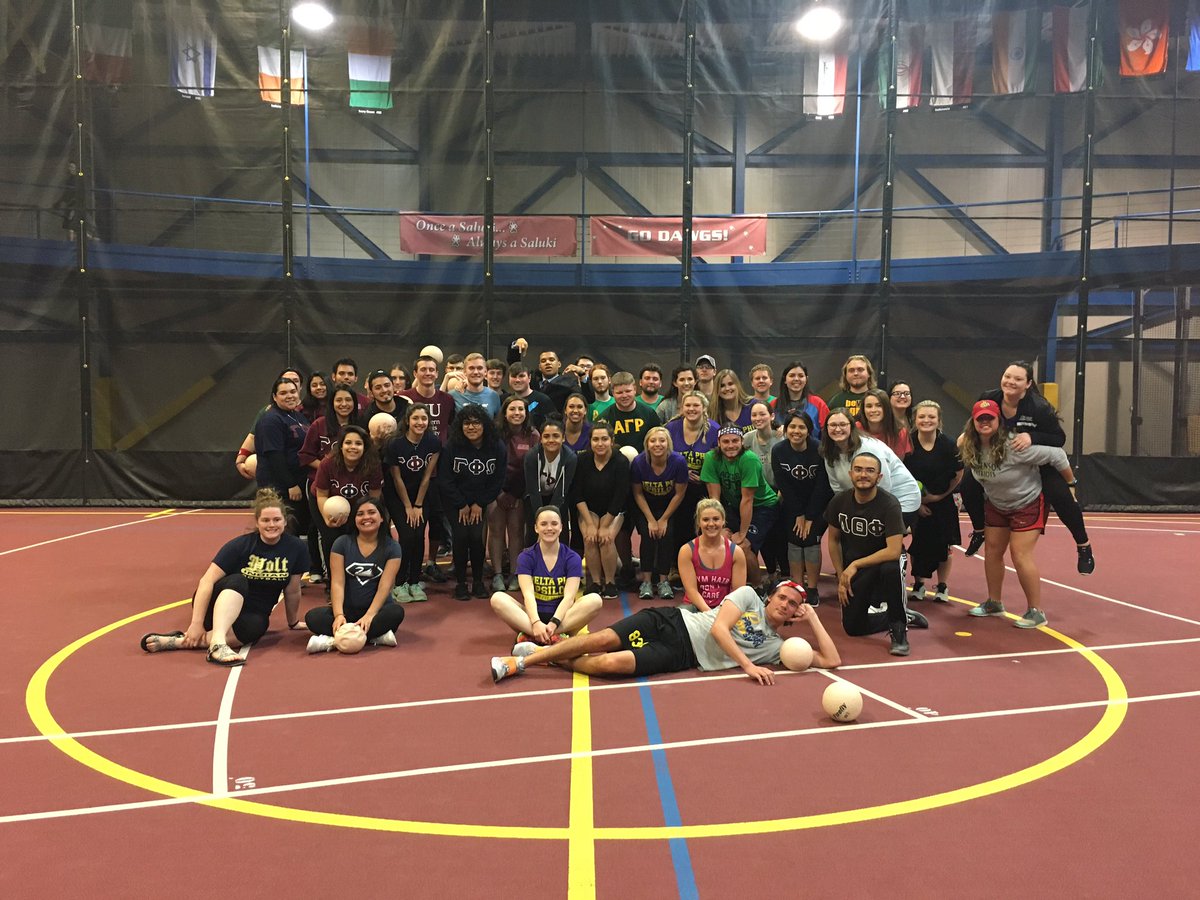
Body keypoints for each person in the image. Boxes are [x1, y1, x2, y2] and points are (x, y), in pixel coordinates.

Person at [490, 580, 840, 685]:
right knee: (600, 640)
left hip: (683, 655)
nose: (785, 604)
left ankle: (550, 655)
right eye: (782, 596)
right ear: (771, 596)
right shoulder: (748, 596)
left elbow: (831, 660)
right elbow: (719, 628)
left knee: (609, 666)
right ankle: (519, 663)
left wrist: (813, 620)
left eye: (793, 604)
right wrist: (747, 667)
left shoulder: (777, 647)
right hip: (673, 622)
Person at [139, 488, 309, 667]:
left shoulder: (296, 548)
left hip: (250, 614)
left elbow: (292, 590)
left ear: (284, 521)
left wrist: (293, 622)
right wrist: (196, 623)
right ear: (257, 523)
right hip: (218, 604)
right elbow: (206, 581)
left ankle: (179, 641)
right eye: (265, 520)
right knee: (238, 580)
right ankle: (218, 645)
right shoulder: (240, 545)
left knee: (258, 626)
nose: (271, 525)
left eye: (276, 520)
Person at [959, 361, 1095, 575]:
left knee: (1062, 497)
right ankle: (978, 531)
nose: (1010, 382)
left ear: (1028, 384)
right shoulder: (989, 397)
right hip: (998, 455)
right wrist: (968, 436)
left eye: (1018, 379)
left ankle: (1083, 545)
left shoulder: (1038, 407)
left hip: (1034, 457)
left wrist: (1032, 437)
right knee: (967, 485)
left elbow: (1059, 439)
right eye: (1007, 376)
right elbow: (978, 420)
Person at [959, 398, 1075, 629]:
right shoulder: (968, 444)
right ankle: (994, 602)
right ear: (973, 422)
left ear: (998, 421)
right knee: (992, 551)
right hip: (997, 503)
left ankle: (1036, 611)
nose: (984, 422)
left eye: (989, 418)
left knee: (1020, 554)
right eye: (980, 419)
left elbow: (1057, 455)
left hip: (1027, 502)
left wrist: (1071, 484)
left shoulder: (1014, 446)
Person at [825, 452, 927, 657]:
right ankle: (899, 615)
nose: (864, 475)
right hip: (858, 568)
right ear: (850, 473)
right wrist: (840, 575)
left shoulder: (888, 504)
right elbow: (833, 540)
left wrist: (854, 565)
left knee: (892, 567)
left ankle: (899, 630)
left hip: (884, 562)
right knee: (853, 628)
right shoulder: (839, 501)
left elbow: (893, 550)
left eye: (870, 471)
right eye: (859, 469)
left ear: (879, 477)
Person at [489, 506, 603, 650]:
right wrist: (536, 623)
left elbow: (569, 598)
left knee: (595, 600)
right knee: (498, 598)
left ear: (562, 527)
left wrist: (554, 623)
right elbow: (528, 595)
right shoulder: (526, 557)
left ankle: (536, 638)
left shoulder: (572, 557)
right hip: (532, 618)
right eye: (543, 524)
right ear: (536, 528)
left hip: (563, 619)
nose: (549, 528)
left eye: (554, 524)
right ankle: (553, 639)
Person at [305, 496, 406, 652]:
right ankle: (374, 637)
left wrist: (369, 615)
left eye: (371, 512)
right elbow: (337, 583)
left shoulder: (392, 548)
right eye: (360, 514)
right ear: (354, 519)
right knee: (312, 618)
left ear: (381, 518)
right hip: (347, 612)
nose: (366, 517)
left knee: (396, 613)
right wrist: (339, 615)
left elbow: (385, 586)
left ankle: (334, 640)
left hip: (376, 612)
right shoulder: (342, 543)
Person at [439, 404, 507, 600]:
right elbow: (445, 479)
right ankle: (461, 583)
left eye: (476, 423)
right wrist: (461, 504)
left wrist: (480, 503)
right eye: (467, 423)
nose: (471, 427)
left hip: (481, 501)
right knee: (460, 537)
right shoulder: (452, 446)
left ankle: (478, 582)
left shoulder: (496, 446)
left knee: (476, 539)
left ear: (485, 425)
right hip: (455, 501)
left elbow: (498, 479)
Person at [700, 425, 780, 587]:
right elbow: (714, 498)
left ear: (742, 442)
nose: (730, 445)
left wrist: (743, 533)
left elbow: (748, 499)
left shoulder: (749, 459)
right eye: (726, 441)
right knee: (721, 539)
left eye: (735, 441)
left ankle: (757, 587)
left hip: (763, 505)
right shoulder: (711, 458)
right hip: (734, 505)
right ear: (719, 443)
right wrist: (719, 526)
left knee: (742, 546)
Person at [903, 400, 962, 604]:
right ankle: (918, 584)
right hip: (915, 503)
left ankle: (942, 586)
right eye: (922, 416)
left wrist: (939, 496)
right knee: (918, 544)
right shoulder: (907, 444)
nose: (926, 420)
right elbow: (901, 474)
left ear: (938, 420)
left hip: (943, 503)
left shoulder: (948, 444)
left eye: (931, 417)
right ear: (915, 419)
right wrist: (917, 504)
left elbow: (958, 473)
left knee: (944, 546)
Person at [819, 409, 922, 523]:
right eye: (833, 425)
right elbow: (837, 488)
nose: (838, 429)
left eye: (843, 424)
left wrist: (867, 514)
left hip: (901, 500)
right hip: (868, 501)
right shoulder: (829, 452)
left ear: (852, 426)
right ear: (826, 428)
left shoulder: (869, 448)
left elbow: (884, 485)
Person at [383, 402, 441, 602]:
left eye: (424, 418)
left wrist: (418, 505)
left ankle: (415, 581)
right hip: (398, 496)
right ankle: (399, 583)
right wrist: (408, 506)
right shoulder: (395, 444)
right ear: (407, 421)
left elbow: (426, 476)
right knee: (407, 535)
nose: (420, 422)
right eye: (415, 418)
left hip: (421, 495)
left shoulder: (433, 442)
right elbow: (397, 479)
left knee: (418, 536)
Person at [313, 425, 384, 584]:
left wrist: (364, 519)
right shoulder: (328, 463)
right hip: (326, 502)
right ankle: (333, 584)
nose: (353, 447)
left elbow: (374, 499)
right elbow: (322, 495)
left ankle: (365, 581)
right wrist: (327, 517)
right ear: (341, 445)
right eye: (348, 443)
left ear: (365, 446)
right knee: (331, 538)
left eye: (358, 443)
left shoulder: (373, 464)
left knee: (364, 536)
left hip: (361, 506)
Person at [771, 411, 827, 605]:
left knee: (811, 540)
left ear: (809, 431)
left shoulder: (819, 449)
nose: (797, 431)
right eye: (792, 427)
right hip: (792, 504)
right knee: (795, 540)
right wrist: (798, 514)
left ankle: (811, 589)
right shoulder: (778, 450)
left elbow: (822, 485)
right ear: (786, 430)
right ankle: (797, 586)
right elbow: (783, 484)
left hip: (817, 503)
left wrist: (810, 516)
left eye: (802, 427)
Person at [571, 422, 630, 598]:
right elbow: (577, 494)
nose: (600, 443)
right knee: (589, 539)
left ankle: (610, 581)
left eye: (604, 439)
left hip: (613, 510)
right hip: (588, 509)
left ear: (612, 441)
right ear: (590, 442)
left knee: (606, 539)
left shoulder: (620, 461)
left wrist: (605, 526)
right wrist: (589, 523)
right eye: (595, 439)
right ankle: (596, 582)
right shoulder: (582, 460)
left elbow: (620, 496)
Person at [630, 426, 689, 599]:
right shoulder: (639, 462)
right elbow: (637, 493)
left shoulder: (678, 462)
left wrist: (663, 519)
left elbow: (680, 493)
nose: (658, 444)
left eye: (662, 440)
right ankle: (647, 581)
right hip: (645, 506)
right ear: (647, 444)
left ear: (668, 443)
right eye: (653, 441)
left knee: (667, 535)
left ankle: (664, 581)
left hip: (669, 507)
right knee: (648, 535)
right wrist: (650, 519)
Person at [489, 395, 540, 592]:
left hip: (519, 493)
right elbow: (491, 465)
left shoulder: (533, 435)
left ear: (526, 414)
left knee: (516, 531)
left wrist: (516, 494)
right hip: (496, 492)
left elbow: (531, 469)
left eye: (521, 409)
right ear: (505, 412)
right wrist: (498, 492)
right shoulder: (494, 433)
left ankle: (516, 574)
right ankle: (497, 575)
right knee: (496, 531)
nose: (517, 413)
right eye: (512, 409)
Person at [254, 376, 311, 536]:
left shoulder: (298, 416)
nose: (290, 396)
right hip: (279, 488)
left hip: (299, 483)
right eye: (283, 393)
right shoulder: (271, 420)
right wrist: (290, 484)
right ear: (274, 397)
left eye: (293, 391)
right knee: (283, 530)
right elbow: (274, 456)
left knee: (299, 528)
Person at [666, 390, 720, 553]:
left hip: (703, 487)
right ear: (681, 408)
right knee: (677, 524)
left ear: (704, 407)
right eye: (687, 405)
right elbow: (662, 456)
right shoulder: (671, 428)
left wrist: (704, 476)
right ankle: (675, 564)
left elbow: (719, 461)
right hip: (676, 485)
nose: (691, 409)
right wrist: (681, 472)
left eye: (696, 405)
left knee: (700, 523)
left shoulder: (714, 430)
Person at [677, 498, 747, 612]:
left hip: (725, 608)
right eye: (705, 519)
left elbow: (738, 594)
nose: (711, 524)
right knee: (679, 613)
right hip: (695, 607)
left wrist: (722, 616)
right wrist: (709, 614)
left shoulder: (736, 552)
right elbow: (692, 591)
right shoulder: (686, 551)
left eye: (716, 519)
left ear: (723, 521)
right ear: (699, 522)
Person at [523, 414, 578, 542]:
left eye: (556, 436)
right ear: (541, 439)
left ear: (563, 438)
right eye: (546, 436)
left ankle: (560, 560)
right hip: (535, 497)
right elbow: (532, 490)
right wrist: (541, 517)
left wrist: (551, 517)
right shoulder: (531, 456)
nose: (551, 440)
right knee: (534, 532)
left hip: (558, 496)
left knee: (558, 532)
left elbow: (561, 491)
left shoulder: (570, 458)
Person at [597, 371, 660, 452]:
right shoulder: (604, 418)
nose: (624, 396)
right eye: (619, 392)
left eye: (628, 391)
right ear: (613, 393)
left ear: (635, 390)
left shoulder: (649, 414)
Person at [772, 360, 829, 440]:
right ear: (785, 380)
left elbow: (828, 433)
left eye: (801, 376)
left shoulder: (818, 404)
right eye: (792, 375)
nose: (796, 379)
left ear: (806, 379)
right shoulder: (773, 405)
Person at [855, 388, 911, 457]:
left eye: (879, 405)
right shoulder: (856, 429)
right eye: (869, 406)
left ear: (886, 408)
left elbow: (898, 463)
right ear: (863, 410)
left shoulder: (899, 432)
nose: (873, 410)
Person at [451, 352, 502, 417]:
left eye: (480, 368)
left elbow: (497, 424)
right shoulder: (453, 396)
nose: (475, 372)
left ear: (485, 371)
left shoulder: (494, 396)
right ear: (464, 371)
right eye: (471, 368)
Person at [827, 354, 875, 420]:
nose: (856, 373)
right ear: (845, 375)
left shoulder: (878, 398)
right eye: (851, 370)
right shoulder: (836, 401)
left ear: (869, 373)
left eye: (860, 370)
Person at [507, 362, 555, 428]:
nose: (517, 380)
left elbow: (553, 426)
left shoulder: (543, 400)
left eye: (521, 376)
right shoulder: (505, 401)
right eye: (514, 376)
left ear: (529, 377)